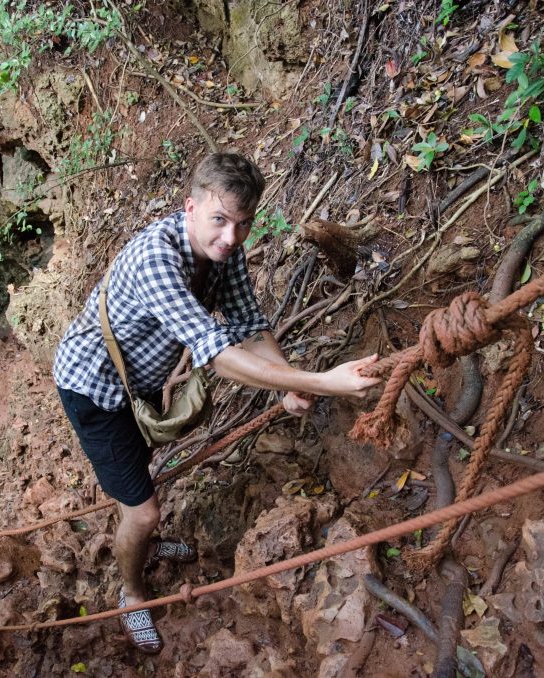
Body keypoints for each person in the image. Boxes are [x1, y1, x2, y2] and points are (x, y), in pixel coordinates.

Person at [53, 151, 382, 653]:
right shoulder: (156, 259)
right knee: (142, 512)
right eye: (220, 220)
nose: (230, 238)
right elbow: (219, 355)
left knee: (137, 482)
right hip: (93, 390)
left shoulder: (222, 254)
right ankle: (132, 593)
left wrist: (288, 382)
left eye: (243, 225)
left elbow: (250, 327)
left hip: (135, 386)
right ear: (190, 206)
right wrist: (323, 382)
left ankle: (142, 544)